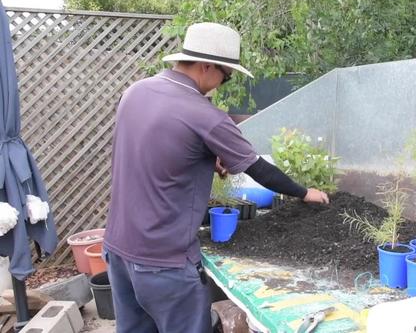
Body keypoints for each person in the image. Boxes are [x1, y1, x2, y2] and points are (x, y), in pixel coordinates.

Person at [103, 22, 330, 333]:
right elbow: (258, 168)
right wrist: (305, 193)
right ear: (207, 66)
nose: (223, 83)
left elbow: (153, 150)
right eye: (227, 75)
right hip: (164, 262)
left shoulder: (136, 92)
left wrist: (201, 160)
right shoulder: (205, 115)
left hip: (118, 249)